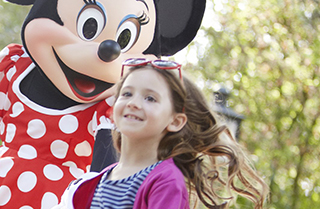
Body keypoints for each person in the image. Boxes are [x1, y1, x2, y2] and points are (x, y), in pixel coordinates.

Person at [54, 59, 268, 209]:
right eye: (127, 93)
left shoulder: (165, 181)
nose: (133, 103)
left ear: (175, 121)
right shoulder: (94, 182)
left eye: (150, 98)